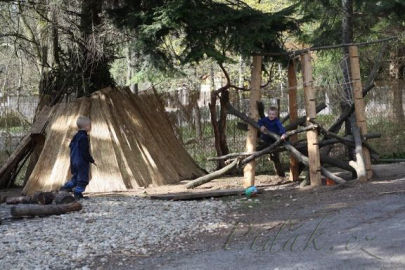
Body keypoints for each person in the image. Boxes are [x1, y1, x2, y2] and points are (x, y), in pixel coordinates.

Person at [61, 116, 95, 199]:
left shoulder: (75, 136)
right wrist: (91, 159)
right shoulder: (84, 137)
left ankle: (66, 187)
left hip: (73, 161)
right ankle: (77, 192)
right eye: (90, 125)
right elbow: (84, 151)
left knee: (75, 177)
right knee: (83, 179)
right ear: (87, 126)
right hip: (81, 161)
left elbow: (71, 146)